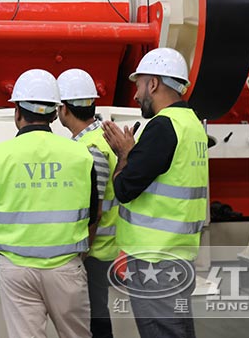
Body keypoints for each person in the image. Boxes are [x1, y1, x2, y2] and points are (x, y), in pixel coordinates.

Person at [0, 68, 99, 338]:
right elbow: (92, 214)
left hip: (16, 270)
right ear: (54, 113)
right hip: (66, 267)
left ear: (17, 111)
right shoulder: (80, 154)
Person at [102, 47, 207, 338]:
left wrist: (124, 154)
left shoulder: (162, 127)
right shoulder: (192, 125)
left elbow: (124, 188)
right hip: (178, 253)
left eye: (139, 84)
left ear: (154, 84)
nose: (136, 95)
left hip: (154, 261)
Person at [57, 68, 118, 338]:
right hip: (98, 245)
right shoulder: (96, 139)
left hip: (94, 249)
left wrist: (83, 249)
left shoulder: (91, 148)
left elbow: (96, 209)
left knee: (93, 315)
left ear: (64, 109)